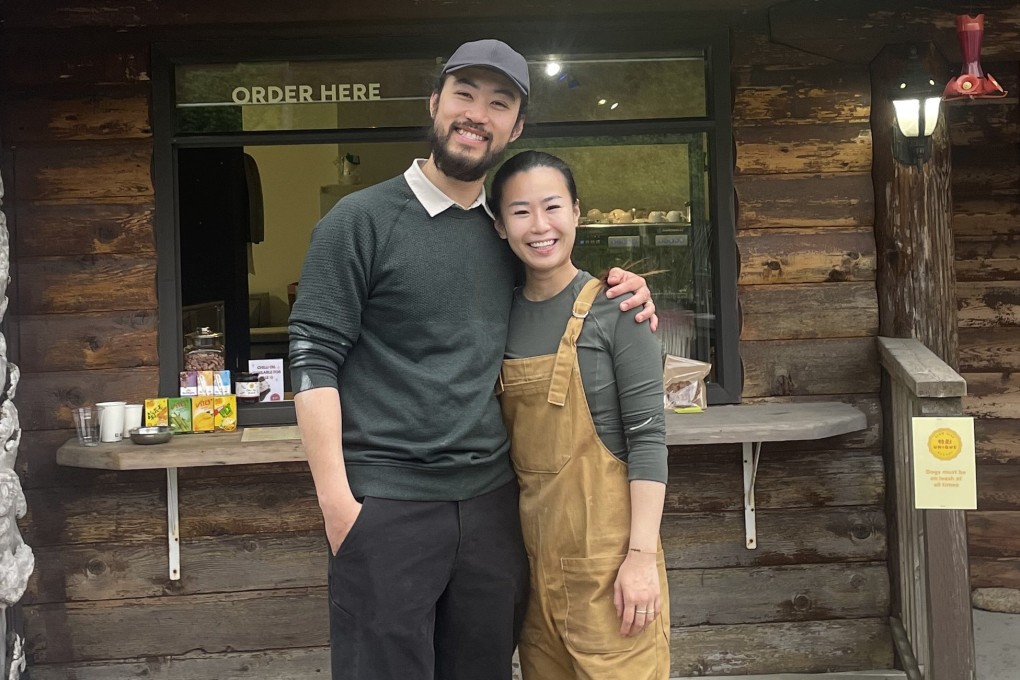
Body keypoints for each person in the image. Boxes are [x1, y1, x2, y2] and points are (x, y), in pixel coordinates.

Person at [288, 39, 657, 680]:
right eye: (464, 94)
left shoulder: (505, 233)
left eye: (499, 103)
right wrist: (340, 509)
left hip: (492, 507)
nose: (477, 115)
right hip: (387, 503)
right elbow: (312, 359)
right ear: (435, 103)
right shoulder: (359, 221)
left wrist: (625, 290)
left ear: (515, 128)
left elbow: (558, 287)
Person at [490, 150, 670, 679]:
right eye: (520, 212)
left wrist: (641, 558)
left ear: (576, 212)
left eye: (552, 207)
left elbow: (648, 440)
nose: (539, 225)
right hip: (532, 572)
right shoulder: (496, 317)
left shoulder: (620, 308)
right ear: (500, 226)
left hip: (611, 574)